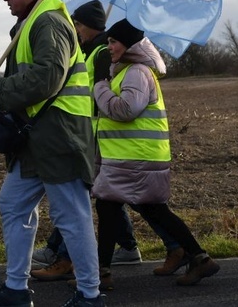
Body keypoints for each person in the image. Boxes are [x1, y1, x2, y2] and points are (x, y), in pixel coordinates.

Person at [0, 0, 105, 307]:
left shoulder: (49, 21)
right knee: (12, 204)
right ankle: (16, 289)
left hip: (59, 134)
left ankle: (90, 296)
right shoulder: (35, 21)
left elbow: (48, 77)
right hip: (38, 136)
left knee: (71, 215)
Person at [31, 1, 183, 284]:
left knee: (87, 196)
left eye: (77, 24)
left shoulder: (103, 53)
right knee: (111, 199)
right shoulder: (93, 50)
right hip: (103, 137)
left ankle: (65, 257)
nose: (74, 29)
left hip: (104, 138)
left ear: (89, 25)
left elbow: (110, 97)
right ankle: (134, 248)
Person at [91, 18, 220, 287]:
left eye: (113, 41)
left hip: (134, 158)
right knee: (146, 210)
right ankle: (199, 258)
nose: (109, 46)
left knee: (111, 206)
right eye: (108, 41)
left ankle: (100, 274)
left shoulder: (136, 72)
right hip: (134, 158)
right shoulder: (129, 70)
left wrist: (100, 85)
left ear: (127, 45)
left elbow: (127, 110)